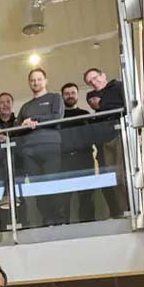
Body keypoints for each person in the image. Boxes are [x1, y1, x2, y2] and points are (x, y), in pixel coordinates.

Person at [15, 68, 64, 226]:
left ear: (45, 80)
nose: (36, 82)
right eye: (33, 80)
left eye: (39, 79)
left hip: (50, 147)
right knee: (37, 187)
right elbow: (17, 127)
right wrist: (25, 123)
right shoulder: (25, 106)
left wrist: (34, 119)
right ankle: (47, 218)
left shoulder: (55, 97)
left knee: (52, 182)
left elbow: (57, 117)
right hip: (29, 151)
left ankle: (59, 218)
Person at [84, 67, 129, 218]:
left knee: (123, 175)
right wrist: (105, 104)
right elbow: (93, 102)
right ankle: (121, 211)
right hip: (105, 139)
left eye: (96, 78)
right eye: (90, 82)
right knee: (112, 178)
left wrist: (102, 104)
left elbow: (125, 106)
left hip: (120, 133)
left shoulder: (118, 86)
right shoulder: (92, 94)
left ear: (104, 75)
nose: (94, 83)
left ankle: (130, 208)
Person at [60, 82, 96, 223]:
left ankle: (88, 224)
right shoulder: (58, 117)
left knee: (87, 194)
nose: (70, 96)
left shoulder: (85, 114)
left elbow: (91, 136)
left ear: (77, 95)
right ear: (62, 96)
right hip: (64, 160)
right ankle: (64, 226)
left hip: (84, 158)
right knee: (64, 197)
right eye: (67, 93)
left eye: (73, 93)